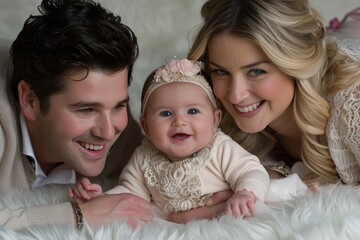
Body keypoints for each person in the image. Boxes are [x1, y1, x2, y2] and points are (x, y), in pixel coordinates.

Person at [167, 0, 360, 223]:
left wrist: (283, 192)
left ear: (294, 64)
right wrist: (268, 178)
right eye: (221, 71)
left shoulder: (351, 102)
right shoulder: (209, 107)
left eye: (256, 71)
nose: (235, 95)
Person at [0, 0, 153, 230]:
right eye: (86, 110)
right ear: (30, 101)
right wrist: (77, 215)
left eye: (119, 106)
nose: (108, 132)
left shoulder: (123, 132)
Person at [69, 58, 270, 219]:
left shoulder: (220, 148)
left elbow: (252, 171)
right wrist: (101, 199)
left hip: (225, 221)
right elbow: (130, 194)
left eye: (192, 111)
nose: (179, 122)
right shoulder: (143, 157)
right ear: (145, 126)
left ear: (215, 119)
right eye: (166, 114)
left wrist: (246, 193)